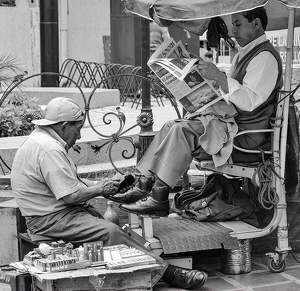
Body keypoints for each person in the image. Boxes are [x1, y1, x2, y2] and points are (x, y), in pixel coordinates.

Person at [11, 97, 207, 290]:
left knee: (113, 227)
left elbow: (70, 181)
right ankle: (169, 273)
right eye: (77, 130)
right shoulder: (49, 149)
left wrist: (102, 184)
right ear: (63, 127)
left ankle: (149, 269)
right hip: (49, 220)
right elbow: (70, 196)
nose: (78, 137)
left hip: (54, 214)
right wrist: (101, 189)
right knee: (109, 233)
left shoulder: (41, 140)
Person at [115, 7, 283, 217]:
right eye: (233, 25)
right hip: (232, 124)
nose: (233, 31)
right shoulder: (246, 54)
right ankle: (142, 184)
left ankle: (158, 197)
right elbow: (230, 93)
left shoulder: (265, 57)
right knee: (170, 126)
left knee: (181, 131)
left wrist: (219, 78)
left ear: (256, 24)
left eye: (238, 24)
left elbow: (250, 101)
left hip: (246, 136)